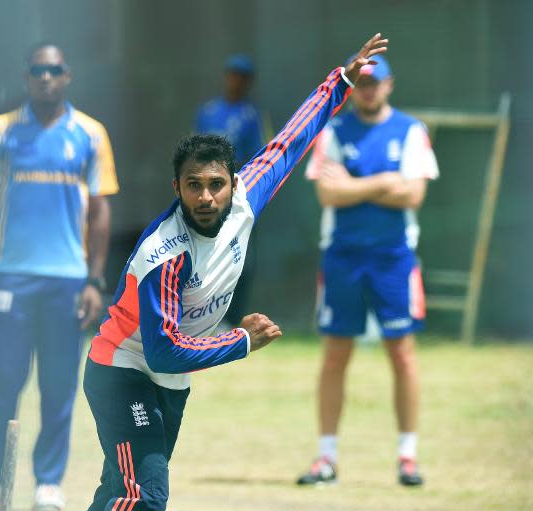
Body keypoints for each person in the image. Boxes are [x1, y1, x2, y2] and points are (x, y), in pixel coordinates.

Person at [84, 34, 388, 511]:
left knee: (118, 491)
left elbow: (291, 141)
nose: (206, 198)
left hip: (167, 382)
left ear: (233, 182)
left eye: (216, 185)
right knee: (144, 493)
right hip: (122, 370)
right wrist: (241, 342)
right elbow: (163, 352)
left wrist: (342, 79)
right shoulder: (165, 254)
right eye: (193, 187)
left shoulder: (246, 198)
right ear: (177, 188)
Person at [0, 44, 118, 511]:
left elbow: (100, 211)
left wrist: (94, 281)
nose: (46, 77)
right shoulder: (0, 131)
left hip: (67, 282)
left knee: (58, 386)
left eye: (54, 70)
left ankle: (48, 482)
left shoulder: (90, 134)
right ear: (27, 77)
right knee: (1, 382)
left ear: (67, 76)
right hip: (11, 276)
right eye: (37, 70)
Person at [296, 54, 438, 487]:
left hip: (394, 257)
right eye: (361, 83)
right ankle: (326, 458)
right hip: (342, 256)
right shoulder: (334, 130)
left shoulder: (411, 131)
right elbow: (327, 194)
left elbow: (413, 195)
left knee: (403, 355)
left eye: (376, 83)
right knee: (336, 354)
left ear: (390, 84)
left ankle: (408, 456)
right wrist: (384, 182)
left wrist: (355, 185)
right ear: (353, 88)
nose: (368, 90)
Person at [195, 54, 266, 326]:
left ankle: (232, 317)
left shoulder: (253, 115)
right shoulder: (208, 111)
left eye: (243, 76)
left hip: (238, 195)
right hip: (207, 196)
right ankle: (203, 317)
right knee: (206, 252)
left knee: (240, 258)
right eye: (233, 74)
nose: (237, 81)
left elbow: (261, 155)